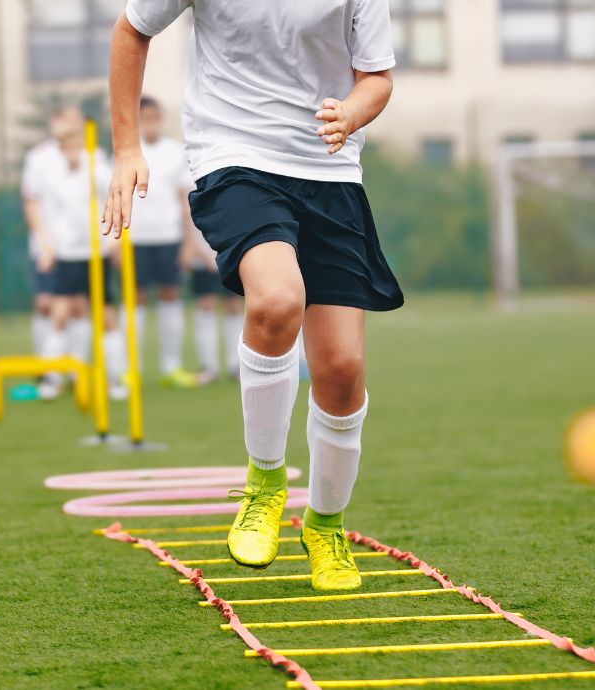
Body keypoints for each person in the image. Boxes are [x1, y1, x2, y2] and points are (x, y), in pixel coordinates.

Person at [105, 2, 404, 590]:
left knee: (341, 371)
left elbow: (378, 77)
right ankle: (265, 485)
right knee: (275, 300)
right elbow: (131, 29)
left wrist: (351, 113)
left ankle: (324, 524)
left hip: (329, 171)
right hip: (234, 158)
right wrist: (126, 149)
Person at [37, 129, 126, 401]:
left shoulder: (99, 172)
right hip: (68, 254)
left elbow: (116, 202)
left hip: (96, 253)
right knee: (60, 313)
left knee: (106, 316)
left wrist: (115, 243)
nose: (74, 152)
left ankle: (114, 379)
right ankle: (52, 378)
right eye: (69, 147)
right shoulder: (54, 179)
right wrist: (49, 247)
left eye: (79, 147)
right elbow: (48, 214)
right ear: (62, 150)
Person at [119, 96, 196, 387]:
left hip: (168, 236)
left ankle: (171, 367)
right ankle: (131, 369)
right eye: (144, 118)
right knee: (134, 300)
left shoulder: (176, 152)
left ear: (160, 118)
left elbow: (184, 201)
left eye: (154, 117)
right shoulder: (127, 152)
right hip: (133, 238)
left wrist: (188, 243)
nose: (150, 124)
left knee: (170, 296)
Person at [22, 107, 84, 360]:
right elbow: (31, 200)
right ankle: (45, 366)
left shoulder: (94, 154)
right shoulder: (39, 157)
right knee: (46, 303)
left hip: (82, 246)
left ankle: (76, 368)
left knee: (78, 306)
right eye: (65, 120)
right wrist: (44, 243)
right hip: (49, 244)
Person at [184, 224, 244, 382]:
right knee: (206, 306)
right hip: (202, 258)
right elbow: (186, 218)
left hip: (231, 255)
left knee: (233, 307)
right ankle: (209, 367)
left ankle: (237, 365)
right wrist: (195, 249)